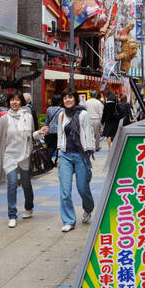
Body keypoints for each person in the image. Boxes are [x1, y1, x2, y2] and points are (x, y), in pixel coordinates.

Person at [37, 90, 94, 232]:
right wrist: (59, 154)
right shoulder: (62, 115)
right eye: (65, 98)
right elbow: (61, 136)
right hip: (66, 156)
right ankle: (69, 220)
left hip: (81, 155)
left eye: (70, 97)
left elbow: (89, 132)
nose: (68, 100)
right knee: (65, 191)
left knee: (82, 188)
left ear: (75, 99)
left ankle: (88, 208)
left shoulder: (83, 114)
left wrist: (89, 151)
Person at [0, 92, 36, 227]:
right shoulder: (4, 119)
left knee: (26, 184)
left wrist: (39, 133)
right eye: (12, 100)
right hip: (9, 155)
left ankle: (29, 207)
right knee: (12, 183)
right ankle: (12, 214)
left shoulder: (28, 117)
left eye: (17, 100)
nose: (14, 102)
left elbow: (31, 135)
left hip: (25, 154)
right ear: (8, 102)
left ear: (21, 102)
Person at [43, 93, 63, 166]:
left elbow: (47, 121)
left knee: (51, 146)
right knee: (59, 146)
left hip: (50, 131)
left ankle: (48, 160)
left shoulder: (49, 109)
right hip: (59, 131)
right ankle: (56, 162)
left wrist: (45, 128)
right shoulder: (62, 110)